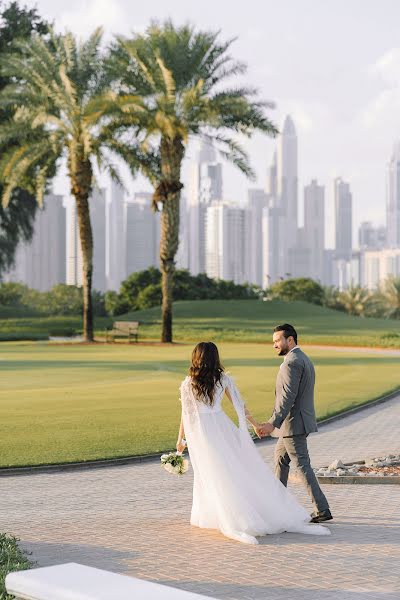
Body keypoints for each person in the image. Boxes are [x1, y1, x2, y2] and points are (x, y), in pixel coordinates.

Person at [176, 341, 331, 544]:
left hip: (202, 432)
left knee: (212, 471)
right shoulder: (223, 379)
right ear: (215, 357)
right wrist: (254, 424)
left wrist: (181, 439)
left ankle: (225, 514)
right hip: (221, 427)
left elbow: (186, 414)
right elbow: (240, 405)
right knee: (228, 469)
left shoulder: (188, 383)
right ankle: (225, 511)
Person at [258, 324, 332, 523]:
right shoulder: (302, 358)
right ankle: (276, 505)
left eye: (277, 340)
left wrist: (273, 423)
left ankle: (322, 509)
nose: (274, 345)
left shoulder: (292, 362)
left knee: (302, 465)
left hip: (293, 424)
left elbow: (288, 397)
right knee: (281, 461)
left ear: (290, 340)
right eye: (273, 341)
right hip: (295, 423)